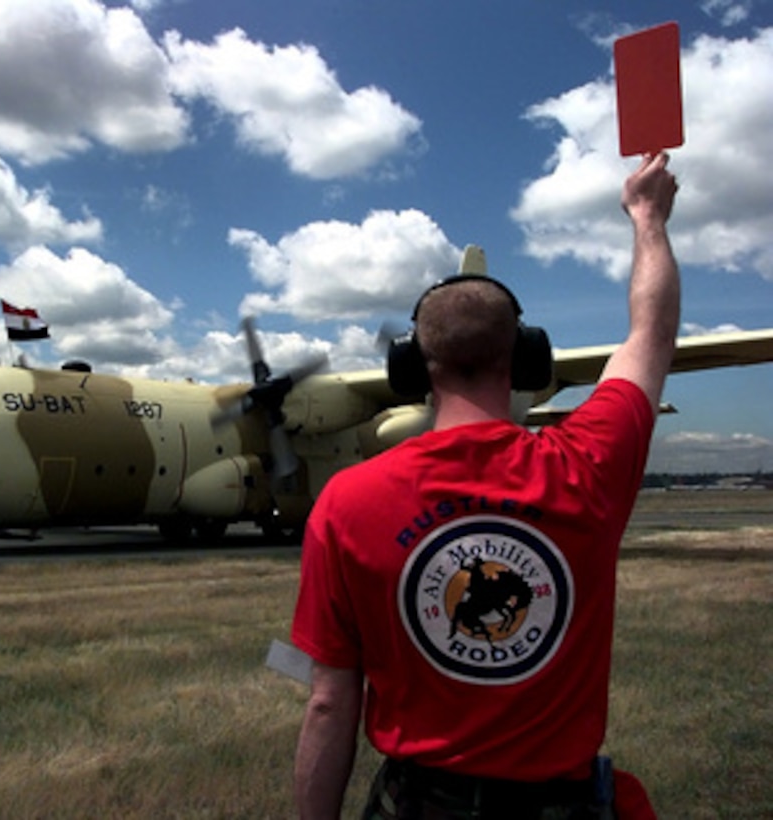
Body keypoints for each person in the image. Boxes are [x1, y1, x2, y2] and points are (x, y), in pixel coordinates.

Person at [291, 152, 679, 820]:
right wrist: (648, 218)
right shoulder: (586, 465)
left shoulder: (345, 502)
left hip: (417, 802)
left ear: (413, 368)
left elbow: (329, 701)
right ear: (525, 358)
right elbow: (651, 332)